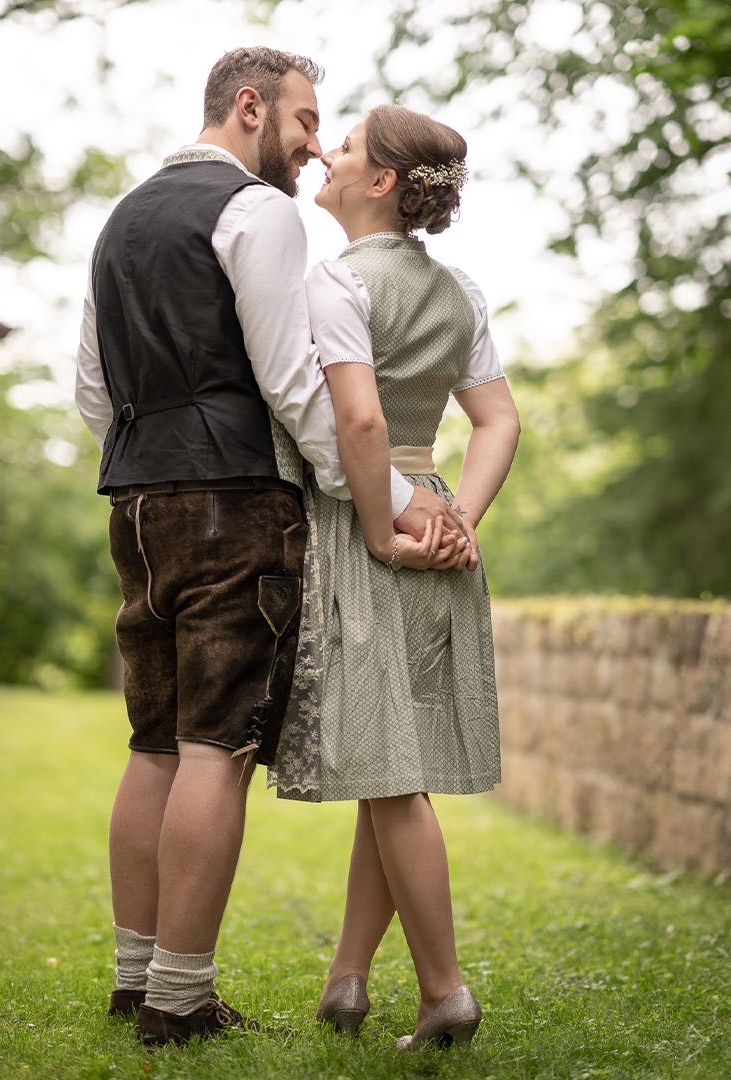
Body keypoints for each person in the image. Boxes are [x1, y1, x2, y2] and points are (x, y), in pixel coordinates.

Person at [74, 49, 462, 1047]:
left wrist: (156, 460)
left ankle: (133, 978)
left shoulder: (120, 220)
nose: (307, 146)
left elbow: (90, 389)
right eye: (302, 121)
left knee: (153, 742)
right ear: (250, 108)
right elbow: (293, 383)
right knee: (216, 743)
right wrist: (376, 500)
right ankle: (180, 997)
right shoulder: (256, 212)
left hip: (137, 499)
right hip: (234, 503)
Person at [272, 104, 520, 1051]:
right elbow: (500, 422)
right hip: (439, 527)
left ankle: (445, 990)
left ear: (378, 183)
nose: (325, 155)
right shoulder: (459, 292)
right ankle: (346, 976)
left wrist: (383, 529)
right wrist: (456, 517)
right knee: (392, 766)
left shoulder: (335, 281)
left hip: (369, 524)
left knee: (388, 771)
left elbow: (361, 427)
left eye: (343, 149)